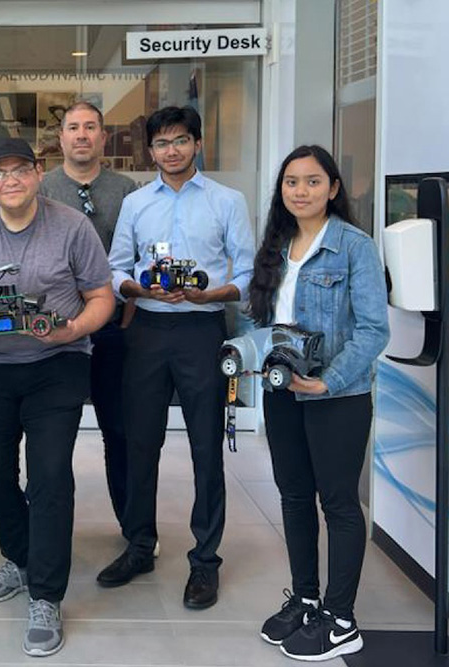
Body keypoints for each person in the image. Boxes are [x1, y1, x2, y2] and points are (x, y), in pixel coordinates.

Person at [0, 138, 115, 657]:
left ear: (38, 173)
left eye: (20, 170)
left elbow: (102, 296)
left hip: (56, 363)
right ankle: (21, 555)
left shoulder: (71, 226)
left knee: (51, 474)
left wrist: (72, 328)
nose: (9, 180)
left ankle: (46, 594)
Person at [104, 106, 255, 609]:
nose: (171, 151)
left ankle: (205, 563)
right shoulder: (135, 202)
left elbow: (251, 270)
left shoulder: (227, 201)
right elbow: (114, 267)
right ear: (151, 151)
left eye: (181, 141)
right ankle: (140, 546)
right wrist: (134, 287)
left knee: (206, 450)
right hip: (146, 328)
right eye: (162, 143)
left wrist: (213, 295)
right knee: (139, 445)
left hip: (201, 329)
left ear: (197, 143)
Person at [248, 145, 388, 662]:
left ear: (332, 188)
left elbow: (375, 329)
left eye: (311, 181)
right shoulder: (276, 244)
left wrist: (326, 381)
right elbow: (258, 318)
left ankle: (341, 618)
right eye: (290, 182)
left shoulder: (354, 246)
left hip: (337, 397)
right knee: (293, 496)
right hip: (283, 393)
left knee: (339, 503)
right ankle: (306, 599)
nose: (299, 191)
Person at [39, 100, 138, 528]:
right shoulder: (41, 188)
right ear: (60, 138)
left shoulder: (127, 191)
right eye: (73, 127)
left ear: (103, 137)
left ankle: (133, 527)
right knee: (51, 440)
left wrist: (130, 308)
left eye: (90, 127)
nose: (81, 135)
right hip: (56, 334)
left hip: (114, 328)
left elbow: (138, 255)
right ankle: (48, 530)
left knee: (119, 431)